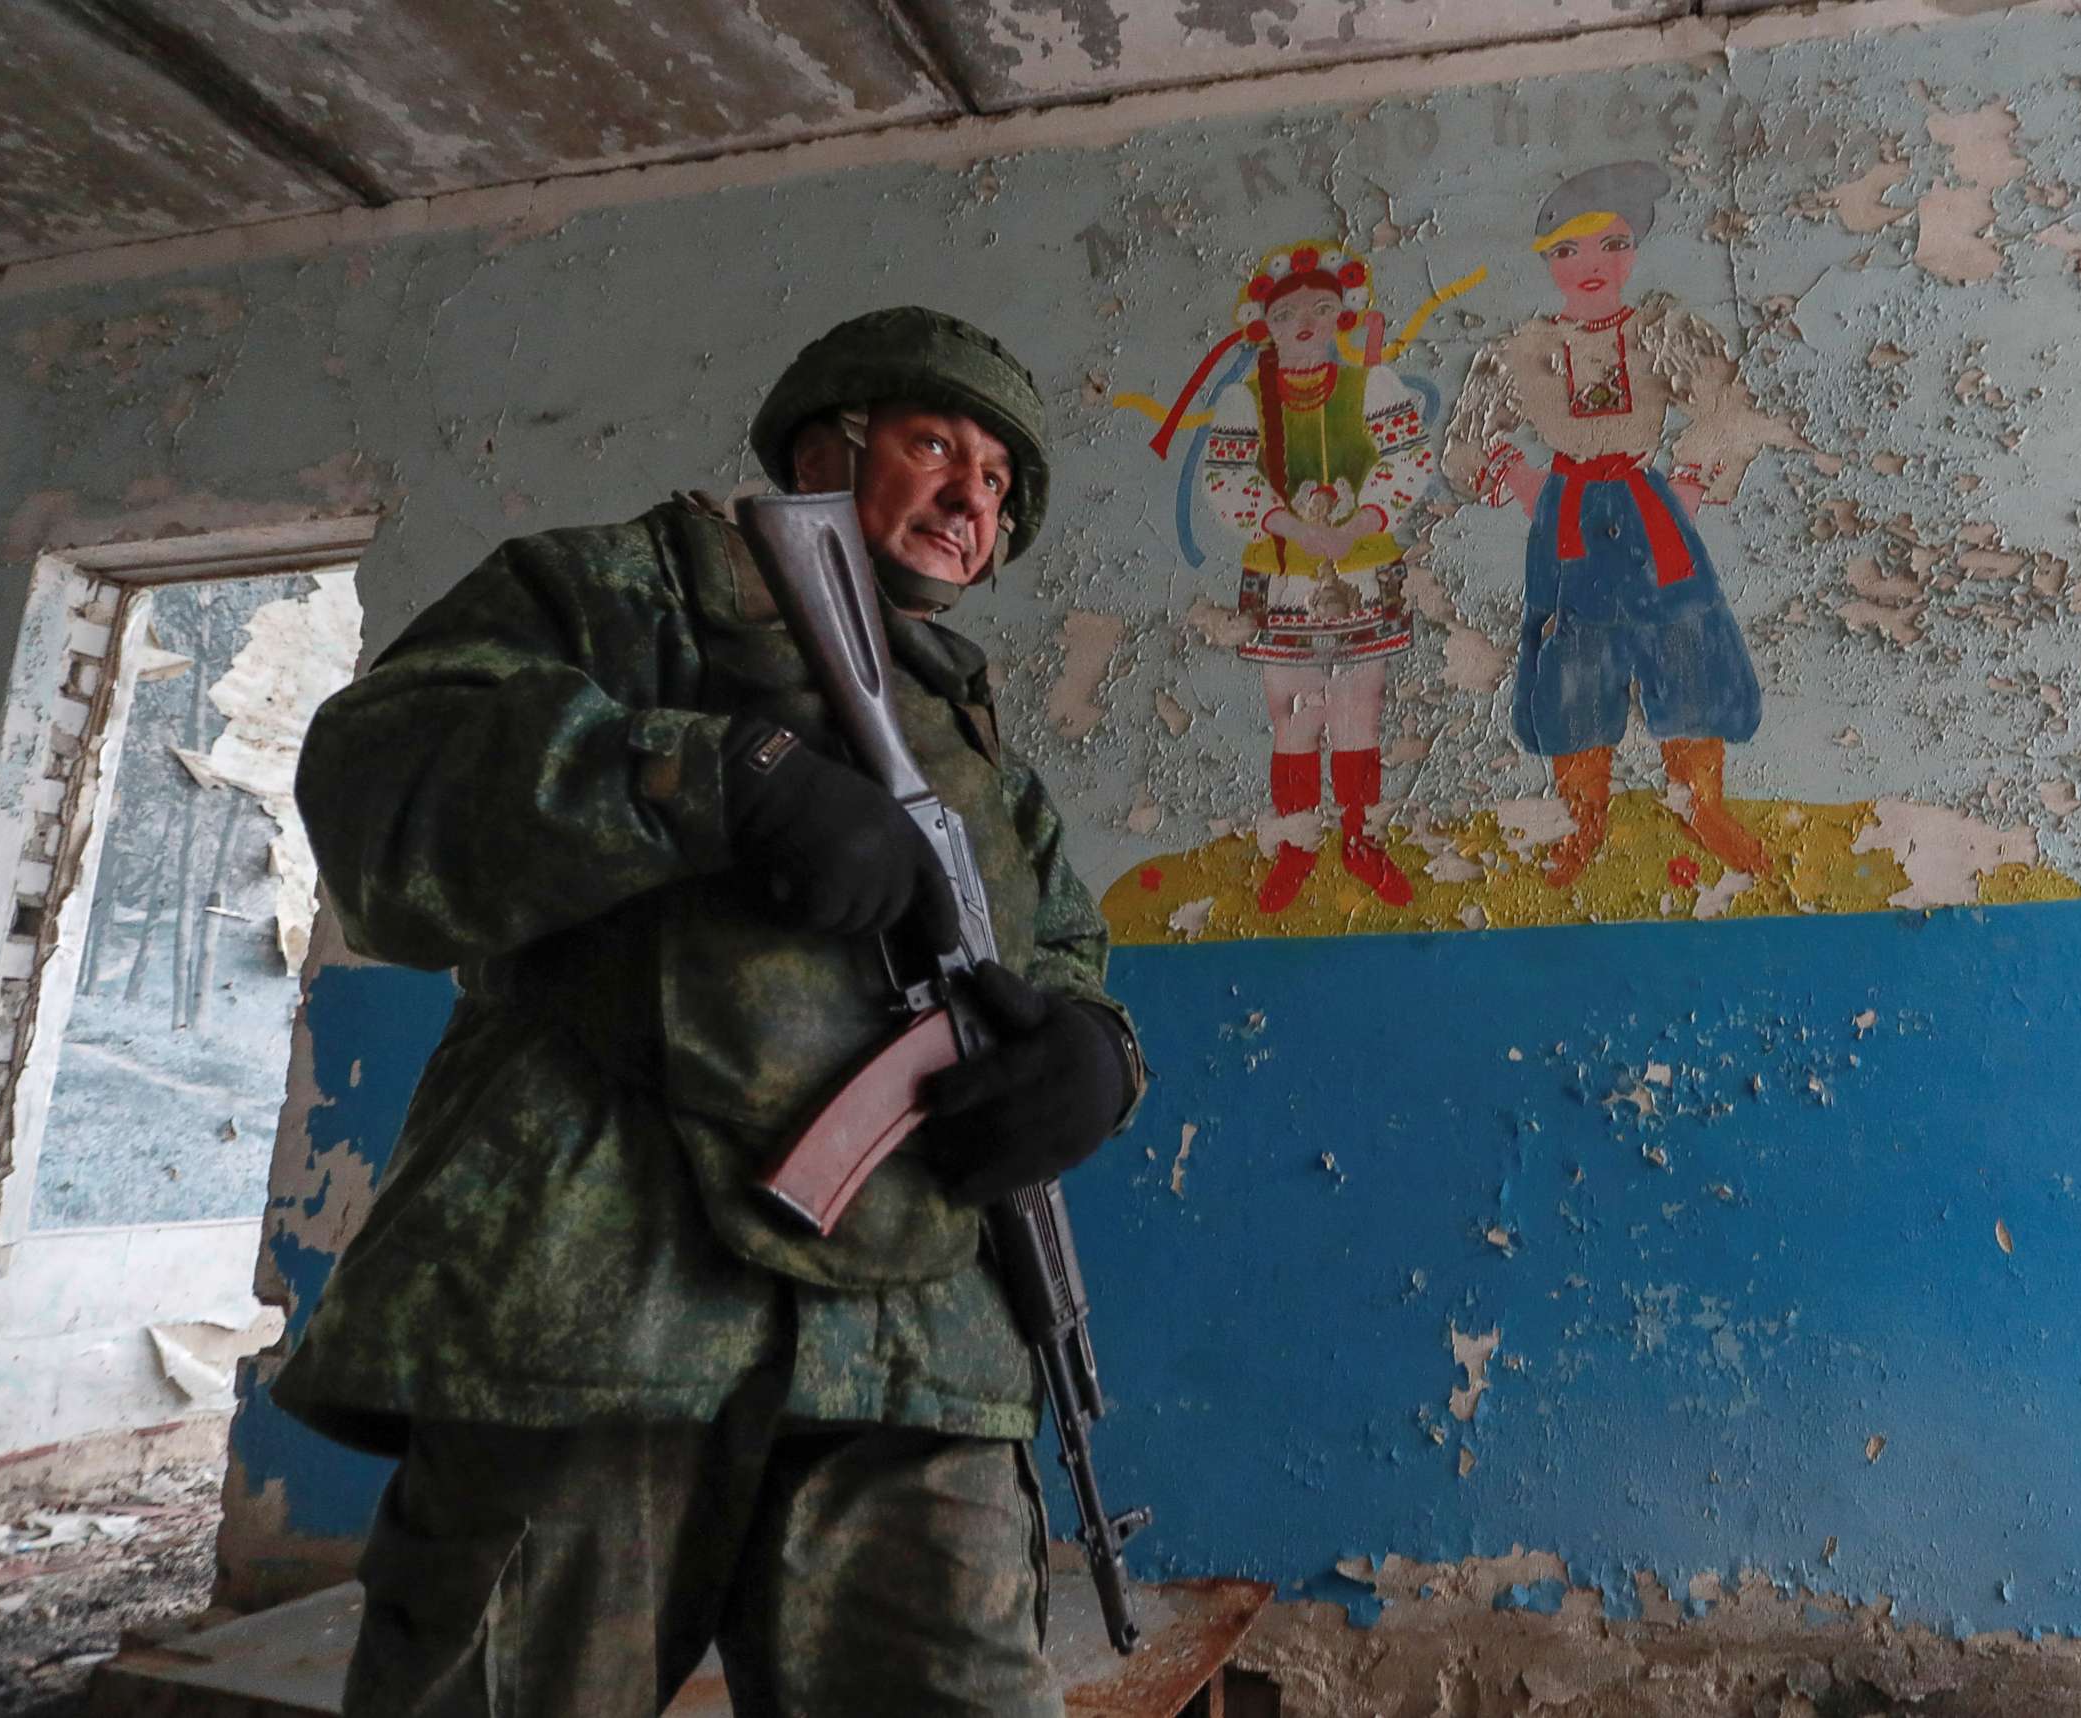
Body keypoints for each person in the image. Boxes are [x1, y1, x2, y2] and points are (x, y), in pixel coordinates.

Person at [273, 306, 1148, 1718]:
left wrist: (1096, 1056)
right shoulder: (618, 597)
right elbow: (384, 783)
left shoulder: (977, 744)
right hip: (592, 1322)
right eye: (937, 447)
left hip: (918, 1364)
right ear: (827, 445)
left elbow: (1064, 950)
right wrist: (716, 778)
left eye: (996, 485)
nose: (969, 499)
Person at [1443, 161, 1769, 886]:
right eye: (1566, 250)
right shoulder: (1524, 351)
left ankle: (1701, 804)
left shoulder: (1663, 333)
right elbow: (1467, 442)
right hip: (1568, 521)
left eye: (1610, 244)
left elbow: (1730, 410)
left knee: (1688, 646)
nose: (1589, 266)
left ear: (1634, 252)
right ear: (1547, 261)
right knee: (1573, 665)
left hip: (1652, 515)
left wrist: (1690, 478)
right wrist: (1518, 479)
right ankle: (1582, 822)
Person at [1178, 241, 1432, 914]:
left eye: (1322, 308)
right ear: (1266, 323)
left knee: (1359, 711)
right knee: (1293, 719)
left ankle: (1361, 839)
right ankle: (1296, 845)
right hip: (1283, 576)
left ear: (1342, 316)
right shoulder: (1245, 400)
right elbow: (1227, 478)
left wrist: (1356, 524)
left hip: (1361, 569)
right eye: (1290, 311)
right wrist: (1292, 527)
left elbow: (1407, 458)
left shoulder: (1371, 386)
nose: (1307, 322)